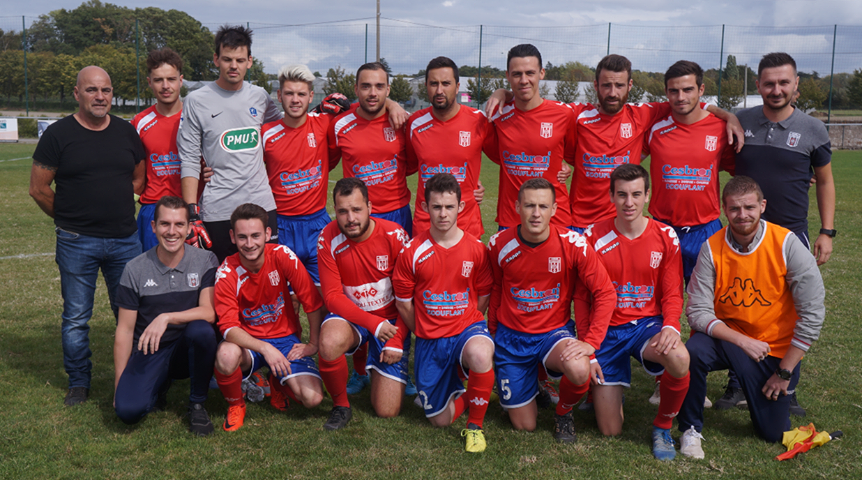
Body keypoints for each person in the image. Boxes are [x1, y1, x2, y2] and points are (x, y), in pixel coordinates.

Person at [487, 54, 743, 231]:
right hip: (579, 223)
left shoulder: (643, 114)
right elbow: (532, 104)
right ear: (596, 85)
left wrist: (727, 115)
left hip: (622, 220)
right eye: (606, 85)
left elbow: (688, 102)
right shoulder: (576, 114)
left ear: (629, 85)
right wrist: (503, 92)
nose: (612, 92)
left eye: (619, 85)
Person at [678, 176, 825, 459]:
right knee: (692, 352)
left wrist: (784, 372)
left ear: (762, 206)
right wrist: (741, 340)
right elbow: (697, 311)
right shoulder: (712, 247)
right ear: (724, 209)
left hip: (773, 351)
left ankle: (760, 390)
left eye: (749, 207)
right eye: (734, 208)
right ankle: (690, 429)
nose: (742, 215)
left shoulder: (787, 244)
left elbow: (813, 314)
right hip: (728, 340)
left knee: (772, 433)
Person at [30, 65, 145, 406]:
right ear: (77, 93)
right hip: (76, 241)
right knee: (77, 316)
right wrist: (69, 218)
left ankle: (137, 375)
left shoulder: (126, 132)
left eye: (106, 90)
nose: (100, 96)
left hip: (125, 240)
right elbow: (39, 189)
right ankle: (79, 381)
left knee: (129, 312)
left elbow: (138, 180)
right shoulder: (58, 134)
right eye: (92, 90)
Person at [731, 52, 835, 416]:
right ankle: (736, 382)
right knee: (739, 303)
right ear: (758, 85)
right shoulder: (740, 122)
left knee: (790, 311)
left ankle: (786, 385)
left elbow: (824, 180)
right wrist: (724, 115)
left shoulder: (812, 129)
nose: (776, 89)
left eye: (783, 83)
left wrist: (827, 231)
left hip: (790, 235)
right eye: (769, 83)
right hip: (742, 236)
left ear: (796, 87)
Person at [487, 178, 615, 443]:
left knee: (579, 369)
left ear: (555, 209)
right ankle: (532, 384)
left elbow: (605, 292)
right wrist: (491, 337)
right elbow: (496, 291)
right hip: (511, 338)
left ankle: (563, 412)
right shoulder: (499, 244)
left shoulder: (573, 244)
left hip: (552, 335)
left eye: (543, 206)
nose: (536, 213)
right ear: (517, 207)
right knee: (525, 426)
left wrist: (591, 342)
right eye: (529, 206)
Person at [578, 164, 690, 461]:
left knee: (679, 358)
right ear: (611, 196)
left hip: (645, 327)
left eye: (636, 194)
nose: (629, 203)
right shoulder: (591, 237)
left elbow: (672, 292)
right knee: (610, 430)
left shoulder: (666, 236)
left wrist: (671, 327)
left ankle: (663, 427)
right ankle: (604, 391)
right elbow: (582, 298)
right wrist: (589, 349)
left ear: (647, 196)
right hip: (607, 331)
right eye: (622, 195)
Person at [642, 60, 735, 408]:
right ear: (665, 93)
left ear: (701, 91)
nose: (680, 97)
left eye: (687, 89)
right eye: (673, 91)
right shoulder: (655, 124)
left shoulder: (719, 127)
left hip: (706, 229)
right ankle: (661, 377)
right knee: (658, 304)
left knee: (705, 307)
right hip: (662, 229)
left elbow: (744, 167)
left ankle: (695, 377)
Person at [326, 61, 413, 395]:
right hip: (354, 220)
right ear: (356, 89)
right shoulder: (341, 124)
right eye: (366, 86)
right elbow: (327, 160)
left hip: (395, 215)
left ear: (388, 89)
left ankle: (400, 355)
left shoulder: (402, 122)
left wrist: (395, 107)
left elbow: (417, 163)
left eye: (380, 87)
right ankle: (360, 368)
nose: (373, 93)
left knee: (400, 289)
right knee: (358, 289)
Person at [392, 173, 495, 453]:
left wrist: (471, 322)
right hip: (430, 340)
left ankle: (475, 426)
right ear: (425, 208)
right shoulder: (412, 252)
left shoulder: (476, 249)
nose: (443, 213)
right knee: (440, 420)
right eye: (436, 207)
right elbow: (403, 304)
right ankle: (475, 392)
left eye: (449, 207)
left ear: (461, 207)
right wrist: (425, 330)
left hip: (466, 330)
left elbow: (484, 292)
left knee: (481, 353)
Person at [212, 203, 326, 432]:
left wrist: (313, 343)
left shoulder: (283, 255)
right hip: (250, 345)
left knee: (312, 399)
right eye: (242, 237)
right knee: (225, 354)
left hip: (285, 340)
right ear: (232, 237)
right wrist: (265, 348)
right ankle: (236, 404)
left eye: (255, 235)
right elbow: (227, 328)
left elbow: (312, 301)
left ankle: (277, 382)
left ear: (267, 234)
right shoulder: (226, 271)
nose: (250, 243)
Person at [113, 196, 219, 436]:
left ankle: (197, 404)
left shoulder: (205, 260)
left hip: (186, 348)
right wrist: (119, 382)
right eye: (164, 224)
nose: (172, 232)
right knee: (128, 412)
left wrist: (166, 317)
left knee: (201, 330)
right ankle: (159, 385)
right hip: (151, 350)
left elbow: (209, 312)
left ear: (190, 227)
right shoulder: (134, 268)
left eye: (179, 224)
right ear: (153, 227)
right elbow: (125, 330)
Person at [177, 25, 282, 263]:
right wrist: (192, 215)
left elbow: (286, 131)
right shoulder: (196, 101)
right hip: (219, 210)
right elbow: (190, 159)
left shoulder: (260, 97)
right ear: (216, 59)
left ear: (250, 61)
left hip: (262, 206)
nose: (233, 65)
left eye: (239, 59)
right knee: (222, 281)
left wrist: (388, 105)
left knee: (266, 280)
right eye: (227, 59)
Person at [315, 178, 412, 430]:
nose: (350, 218)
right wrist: (372, 323)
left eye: (357, 209)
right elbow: (333, 297)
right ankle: (341, 406)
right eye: (343, 211)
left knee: (387, 411)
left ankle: (372, 361)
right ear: (334, 211)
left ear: (370, 206)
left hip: (390, 322)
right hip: (354, 319)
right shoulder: (327, 237)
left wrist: (397, 338)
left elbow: (408, 296)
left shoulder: (395, 236)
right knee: (329, 341)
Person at [485, 44, 577, 229]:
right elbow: (496, 156)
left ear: (542, 73)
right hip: (512, 220)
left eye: (530, 73)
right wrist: (501, 92)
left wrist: (562, 165)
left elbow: (571, 154)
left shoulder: (565, 114)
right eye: (517, 74)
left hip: (555, 220)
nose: (524, 80)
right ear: (507, 76)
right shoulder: (497, 115)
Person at [405, 56, 492, 238]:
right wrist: (390, 104)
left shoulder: (479, 121)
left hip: (466, 224)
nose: (439, 90)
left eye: (446, 83)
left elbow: (507, 156)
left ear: (457, 87)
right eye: (433, 84)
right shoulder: (414, 123)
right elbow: (407, 165)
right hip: (426, 223)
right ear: (426, 86)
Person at [132, 48, 202, 251]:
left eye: (171, 79)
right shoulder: (139, 123)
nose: (165, 86)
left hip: (193, 210)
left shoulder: (197, 118)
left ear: (181, 80)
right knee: (153, 277)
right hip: (154, 209)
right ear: (149, 82)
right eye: (158, 80)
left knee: (195, 278)